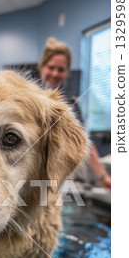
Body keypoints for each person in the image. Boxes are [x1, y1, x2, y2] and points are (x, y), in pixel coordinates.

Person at [38, 37, 111, 190]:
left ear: (66, 72)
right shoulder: (29, 101)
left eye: (61, 70)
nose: (55, 73)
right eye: (51, 67)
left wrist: (103, 177)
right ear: (42, 67)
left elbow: (85, 144)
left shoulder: (70, 104)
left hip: (63, 183)